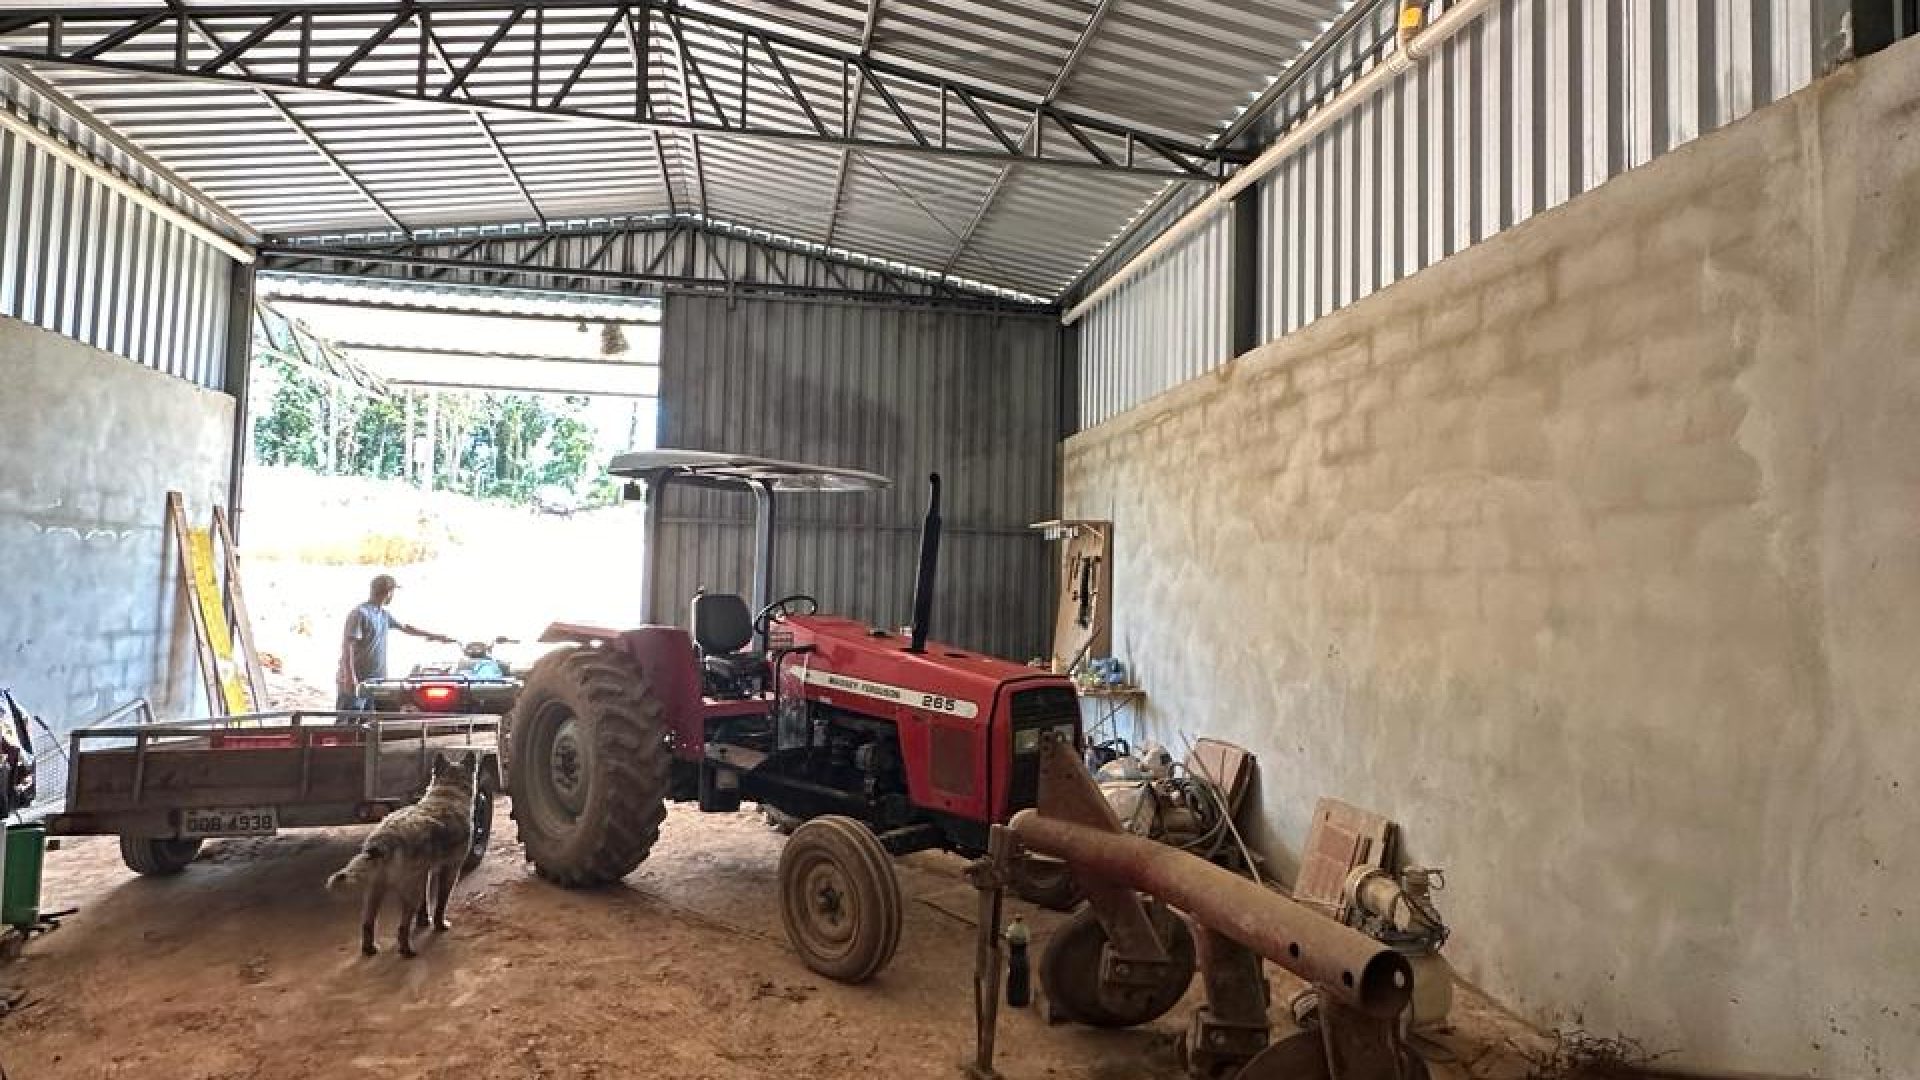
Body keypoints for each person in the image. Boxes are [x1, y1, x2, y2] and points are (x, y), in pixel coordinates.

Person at [336, 574, 454, 714]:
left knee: (366, 720)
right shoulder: (360, 614)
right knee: (348, 718)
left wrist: (435, 636)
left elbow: (406, 628)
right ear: (388, 592)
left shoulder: (383, 615)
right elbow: (347, 645)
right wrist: (350, 676)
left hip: (374, 681)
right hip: (357, 680)